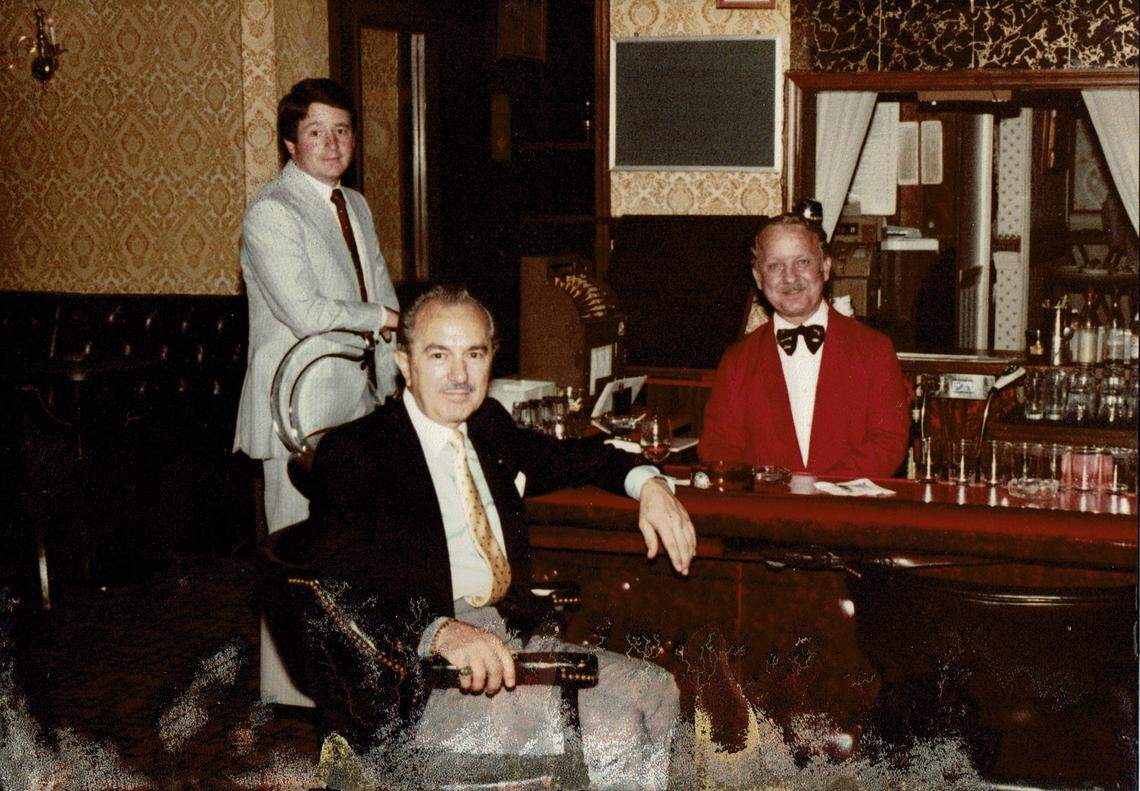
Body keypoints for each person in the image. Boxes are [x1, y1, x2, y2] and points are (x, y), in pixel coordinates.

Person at [302, 285, 697, 788]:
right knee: (614, 729)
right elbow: (336, 590)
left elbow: (575, 457)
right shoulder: (359, 451)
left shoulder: (487, 424)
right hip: (422, 678)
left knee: (657, 689)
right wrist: (439, 632)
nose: (460, 375)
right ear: (405, 362)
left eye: (474, 354)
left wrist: (650, 484)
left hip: (508, 638)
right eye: (439, 355)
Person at [233, 78, 400, 705]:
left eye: (342, 131)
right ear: (288, 140)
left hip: (355, 401)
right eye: (315, 132)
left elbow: (382, 293)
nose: (331, 144)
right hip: (295, 406)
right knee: (295, 553)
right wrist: (381, 320)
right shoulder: (271, 211)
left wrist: (393, 379)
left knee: (347, 549)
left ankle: (340, 683)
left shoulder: (354, 205)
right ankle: (293, 696)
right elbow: (306, 311)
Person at [699, 213, 909, 478]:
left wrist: (824, 492)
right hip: (767, 512)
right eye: (775, 265)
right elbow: (718, 447)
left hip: (849, 511)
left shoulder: (874, 350)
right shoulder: (737, 360)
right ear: (758, 278)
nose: (790, 277)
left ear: (825, 267)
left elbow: (888, 442)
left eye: (803, 262)